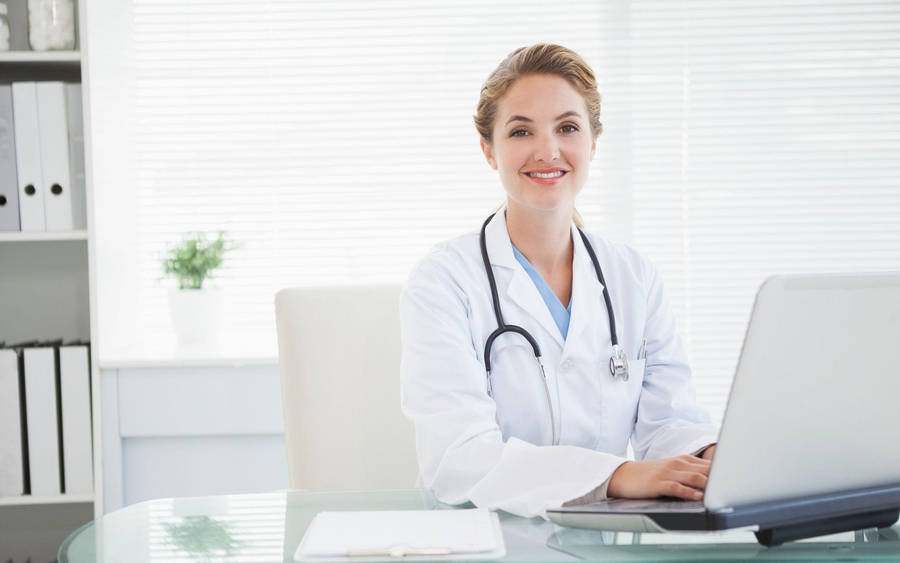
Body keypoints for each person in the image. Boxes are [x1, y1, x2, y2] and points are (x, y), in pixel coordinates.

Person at [399, 44, 718, 518]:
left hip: (606, 542)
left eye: (567, 127)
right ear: (489, 149)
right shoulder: (444, 281)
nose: (547, 151)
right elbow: (458, 460)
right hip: (487, 541)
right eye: (521, 130)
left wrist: (710, 459)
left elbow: (669, 423)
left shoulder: (633, 277)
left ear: (592, 142)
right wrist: (615, 476)